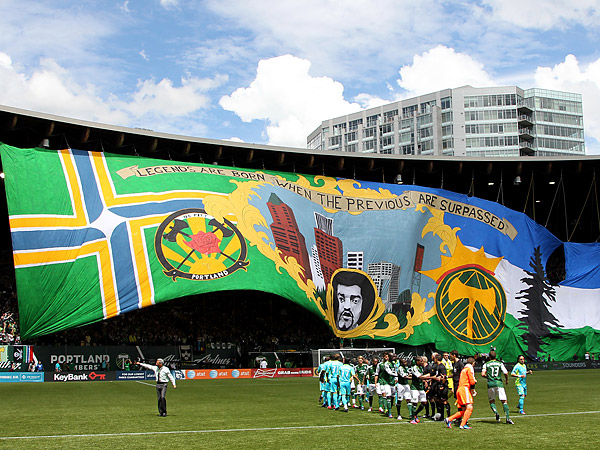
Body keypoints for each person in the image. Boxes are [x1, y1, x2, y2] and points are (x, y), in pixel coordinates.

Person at [481, 350, 514, 424]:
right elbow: (506, 372)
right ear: (495, 356)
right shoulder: (500, 363)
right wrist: (506, 380)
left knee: (492, 401)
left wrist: (488, 377)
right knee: (504, 401)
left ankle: (496, 413)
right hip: (499, 384)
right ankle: (508, 418)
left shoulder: (486, 364)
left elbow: (483, 374)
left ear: (489, 357)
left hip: (490, 384)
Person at [444, 356, 477, 429]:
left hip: (459, 389)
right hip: (464, 389)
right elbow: (472, 381)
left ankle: (449, 419)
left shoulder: (464, 369)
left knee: (464, 410)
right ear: (473, 363)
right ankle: (463, 424)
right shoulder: (469, 369)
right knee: (469, 407)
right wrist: (474, 383)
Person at [408, 356, 431, 424]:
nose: (422, 362)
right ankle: (412, 419)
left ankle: (415, 414)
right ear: (417, 362)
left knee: (424, 402)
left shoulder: (421, 368)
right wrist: (432, 377)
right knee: (415, 403)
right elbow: (420, 377)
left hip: (420, 387)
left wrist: (425, 381)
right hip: (415, 388)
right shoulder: (414, 368)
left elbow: (422, 377)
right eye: (421, 361)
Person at [374, 352, 397, 418]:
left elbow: (395, 371)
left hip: (392, 382)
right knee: (386, 395)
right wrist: (376, 382)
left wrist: (396, 378)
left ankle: (389, 408)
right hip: (384, 382)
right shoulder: (383, 364)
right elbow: (378, 373)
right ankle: (388, 411)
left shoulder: (394, 364)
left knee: (392, 397)